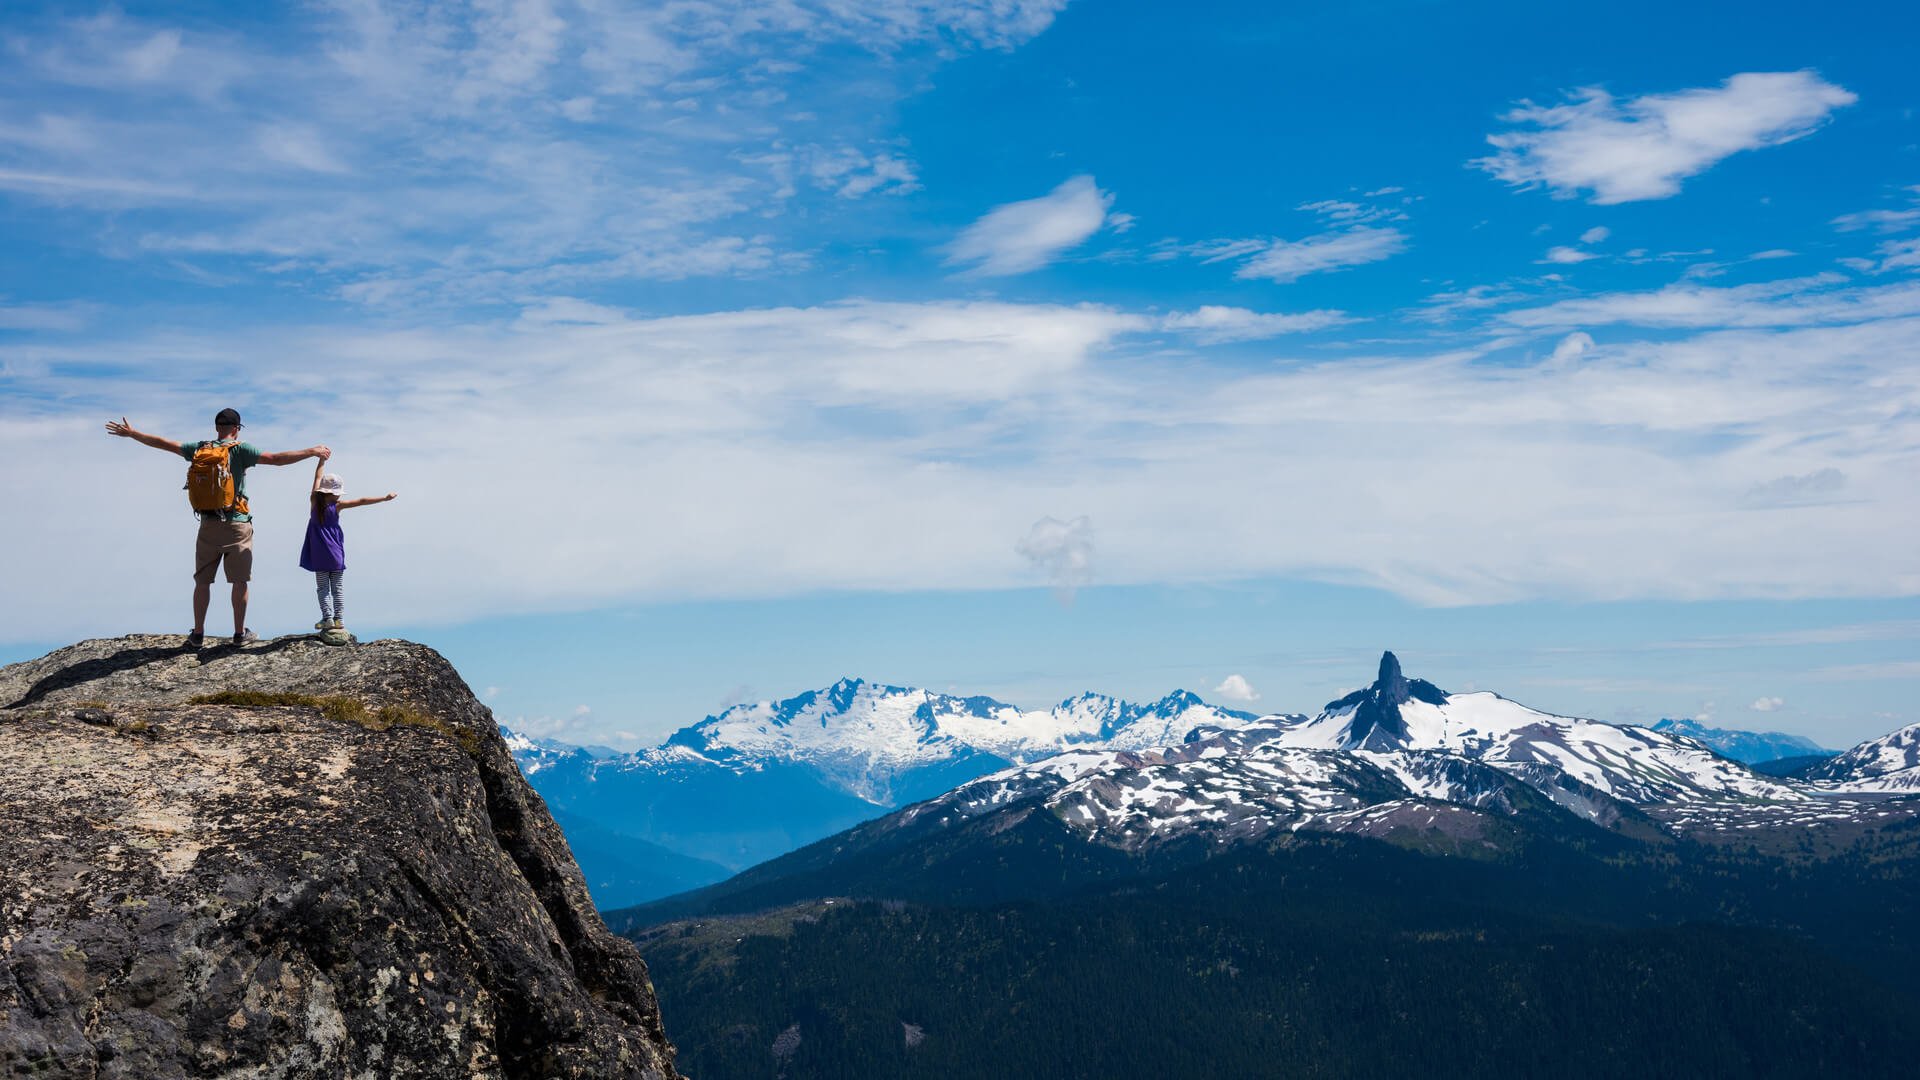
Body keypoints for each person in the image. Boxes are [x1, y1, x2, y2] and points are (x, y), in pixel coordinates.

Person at [105, 409, 330, 646]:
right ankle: (239, 634)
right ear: (236, 428)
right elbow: (276, 459)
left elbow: (165, 443)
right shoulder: (241, 449)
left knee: (203, 581)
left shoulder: (200, 449)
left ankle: (198, 633)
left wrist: (133, 434)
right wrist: (312, 451)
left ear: (216, 427)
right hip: (237, 524)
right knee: (239, 581)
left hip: (207, 524)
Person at [301, 459, 397, 636]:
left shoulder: (315, 501)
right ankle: (339, 619)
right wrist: (384, 498)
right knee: (337, 588)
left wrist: (321, 460)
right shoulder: (337, 506)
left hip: (319, 555)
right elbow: (362, 500)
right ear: (336, 493)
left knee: (323, 588)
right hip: (336, 555)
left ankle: (327, 617)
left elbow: (317, 476)